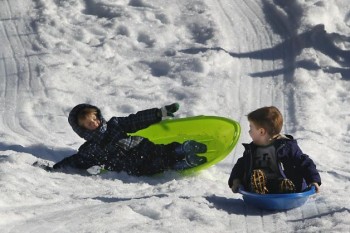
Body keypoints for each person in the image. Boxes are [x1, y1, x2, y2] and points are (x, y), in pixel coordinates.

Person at [47, 103, 207, 176]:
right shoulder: (88, 149)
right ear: (82, 129)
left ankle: (183, 148)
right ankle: (184, 163)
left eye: (95, 118)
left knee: (162, 150)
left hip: (139, 147)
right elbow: (75, 160)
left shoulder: (114, 125)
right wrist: (55, 168)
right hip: (132, 165)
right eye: (89, 123)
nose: (95, 123)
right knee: (158, 165)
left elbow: (135, 120)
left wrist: (159, 113)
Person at [228, 106, 321, 194]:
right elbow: (240, 166)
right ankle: (258, 189)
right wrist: (236, 180)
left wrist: (313, 180)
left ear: (261, 131)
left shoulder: (287, 147)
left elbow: (304, 162)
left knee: (285, 182)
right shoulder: (252, 150)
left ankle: (286, 189)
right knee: (256, 176)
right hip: (262, 186)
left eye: (251, 128)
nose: (249, 131)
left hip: (286, 184)